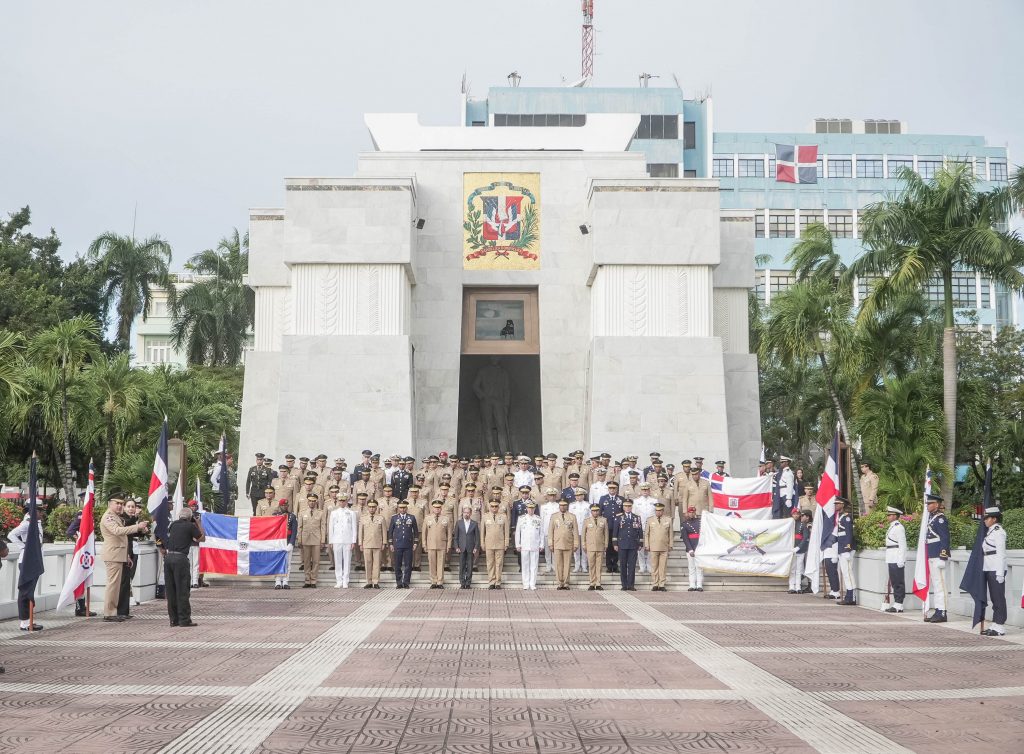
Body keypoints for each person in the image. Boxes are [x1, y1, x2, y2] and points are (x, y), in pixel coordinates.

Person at [99, 495, 149, 623]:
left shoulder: (115, 516)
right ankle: (109, 612)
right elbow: (117, 531)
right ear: (110, 503)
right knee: (113, 585)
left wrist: (126, 555)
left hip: (119, 554)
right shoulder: (108, 517)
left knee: (116, 586)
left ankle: (113, 612)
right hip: (113, 554)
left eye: (121, 503)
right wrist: (137, 526)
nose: (120, 506)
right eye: (117, 503)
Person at [162, 507, 204, 627]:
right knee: (182, 590)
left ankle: (173, 619)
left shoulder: (173, 525)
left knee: (171, 590)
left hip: (169, 558)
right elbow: (202, 538)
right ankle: (184, 619)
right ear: (190, 517)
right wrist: (198, 523)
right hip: (181, 559)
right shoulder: (190, 526)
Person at [8, 511, 45, 631]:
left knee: (30, 591)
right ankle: (24, 622)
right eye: (40, 510)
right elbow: (11, 535)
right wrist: (23, 546)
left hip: (34, 561)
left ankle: (29, 620)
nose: (43, 513)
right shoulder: (27, 523)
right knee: (25, 591)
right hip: (27, 561)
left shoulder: (36, 522)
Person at [979, 505, 1007, 636]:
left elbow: (1001, 554)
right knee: (994, 598)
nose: (985, 520)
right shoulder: (990, 531)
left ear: (994, 519)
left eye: (987, 518)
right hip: (989, 567)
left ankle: (1000, 625)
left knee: (998, 598)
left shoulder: (999, 532)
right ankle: (996, 623)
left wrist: (1000, 573)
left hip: (996, 569)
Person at [64, 508, 97, 616]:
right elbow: (70, 531)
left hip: (88, 552)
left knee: (85, 579)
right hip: (82, 553)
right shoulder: (81, 514)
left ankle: (82, 607)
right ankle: (80, 608)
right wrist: (79, 538)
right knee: (79, 579)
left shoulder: (90, 513)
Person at [924, 493, 950, 622]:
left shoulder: (940, 519)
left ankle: (943, 612)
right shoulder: (931, 517)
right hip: (932, 554)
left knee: (941, 585)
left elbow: (945, 538)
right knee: (936, 584)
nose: (927, 505)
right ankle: (938, 610)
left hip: (938, 555)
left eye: (930, 503)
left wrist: (943, 556)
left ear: (937, 505)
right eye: (927, 503)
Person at [548, 497, 580, 590]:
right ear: (559, 506)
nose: (562, 507)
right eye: (561, 505)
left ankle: (566, 583)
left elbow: (575, 531)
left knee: (567, 564)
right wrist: (550, 543)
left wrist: (576, 544)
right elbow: (550, 531)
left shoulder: (572, 516)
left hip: (568, 543)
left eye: (564, 505)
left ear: (567, 506)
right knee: (558, 564)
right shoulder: (554, 516)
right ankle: (559, 583)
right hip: (557, 543)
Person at [328, 492, 359, 588]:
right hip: (336, 539)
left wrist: (353, 541)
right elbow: (331, 527)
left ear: (346, 501)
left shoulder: (351, 513)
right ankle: (339, 581)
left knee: (347, 561)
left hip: (347, 539)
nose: (342, 502)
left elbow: (354, 527)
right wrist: (331, 541)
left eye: (343, 500)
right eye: (340, 500)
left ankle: (346, 580)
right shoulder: (334, 513)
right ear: (338, 501)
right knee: (337, 561)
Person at [612, 499, 643, 591]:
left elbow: (640, 531)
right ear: (623, 507)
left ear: (631, 507)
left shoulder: (636, 517)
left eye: (629, 506)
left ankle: (631, 585)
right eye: (626, 506)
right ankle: (624, 585)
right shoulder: (618, 517)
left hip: (633, 544)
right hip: (622, 544)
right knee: (623, 565)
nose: (627, 508)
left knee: (632, 565)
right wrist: (615, 544)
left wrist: (640, 542)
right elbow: (615, 532)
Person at [297, 493, 326, 588]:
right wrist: (299, 540)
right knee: (306, 561)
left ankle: (313, 580)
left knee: (316, 561)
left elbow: (323, 527)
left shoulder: (321, 513)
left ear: (316, 501)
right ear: (307, 501)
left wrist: (322, 541)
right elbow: (300, 527)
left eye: (314, 501)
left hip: (316, 540)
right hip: (305, 539)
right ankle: (307, 580)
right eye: (310, 501)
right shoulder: (302, 512)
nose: (312, 503)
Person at [389, 500, 419, 588]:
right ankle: (399, 582)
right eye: (401, 508)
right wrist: (391, 543)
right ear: (398, 508)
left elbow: (416, 532)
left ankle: (406, 582)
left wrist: (415, 543)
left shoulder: (412, 517)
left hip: (408, 544)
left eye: (404, 507)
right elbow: (390, 532)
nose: (402, 509)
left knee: (408, 565)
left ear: (406, 508)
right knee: (397, 564)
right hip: (397, 544)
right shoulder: (394, 518)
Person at [882, 506, 907, 613]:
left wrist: (901, 559)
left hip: (896, 557)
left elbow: (902, 545)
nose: (888, 517)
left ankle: (899, 604)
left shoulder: (899, 527)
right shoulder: (892, 527)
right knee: (894, 581)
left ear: (895, 516)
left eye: (890, 515)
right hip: (891, 556)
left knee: (898, 581)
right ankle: (896, 603)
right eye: (888, 515)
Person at [423, 500, 452, 589]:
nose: (437, 509)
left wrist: (449, 545)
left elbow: (449, 533)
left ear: (441, 508)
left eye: (439, 508)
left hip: (442, 544)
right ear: (432, 508)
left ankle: (440, 581)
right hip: (431, 544)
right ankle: (433, 581)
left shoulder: (446, 519)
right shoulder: (427, 518)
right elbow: (424, 533)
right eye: (435, 507)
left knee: (441, 563)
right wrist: (424, 544)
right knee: (432, 564)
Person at [644, 502, 673, 591]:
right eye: (657, 511)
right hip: (653, 546)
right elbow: (646, 534)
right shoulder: (650, 520)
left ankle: (662, 584)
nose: (658, 512)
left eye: (660, 511)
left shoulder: (668, 520)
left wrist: (671, 544)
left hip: (664, 546)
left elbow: (671, 533)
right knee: (654, 566)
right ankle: (655, 583)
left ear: (663, 511)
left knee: (663, 567)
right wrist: (646, 545)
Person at [515, 501, 543, 590]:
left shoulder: (538, 519)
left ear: (534, 509)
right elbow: (517, 533)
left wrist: (541, 544)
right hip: (524, 545)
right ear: (526, 509)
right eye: (529, 508)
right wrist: (517, 544)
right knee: (525, 565)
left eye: (532, 508)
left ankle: (532, 583)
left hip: (535, 545)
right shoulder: (521, 518)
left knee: (534, 566)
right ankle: (526, 583)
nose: (530, 510)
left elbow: (541, 533)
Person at [481, 499, 508, 589]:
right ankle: (491, 582)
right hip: (489, 543)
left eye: (496, 506)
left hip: (500, 543)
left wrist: (506, 543)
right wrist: (482, 543)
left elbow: (506, 531)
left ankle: (498, 582)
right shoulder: (485, 517)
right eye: (492, 506)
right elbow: (482, 531)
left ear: (498, 507)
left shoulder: (503, 516)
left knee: (499, 563)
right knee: (490, 563)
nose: (494, 508)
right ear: (489, 507)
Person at [359, 500, 386, 588]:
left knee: (377, 563)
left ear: (376, 507)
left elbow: (384, 532)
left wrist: (384, 543)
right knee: (368, 563)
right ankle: (369, 581)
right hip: (366, 543)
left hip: (377, 543)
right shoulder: (363, 518)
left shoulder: (381, 518)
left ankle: (376, 581)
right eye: (370, 507)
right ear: (368, 507)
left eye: (373, 507)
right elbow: (360, 532)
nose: (371, 508)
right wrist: (360, 543)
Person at [599, 482, 624, 573]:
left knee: (617, 545)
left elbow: (623, 512)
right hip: (607, 526)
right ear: (608, 489)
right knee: (609, 545)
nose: (612, 490)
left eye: (614, 488)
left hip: (618, 527)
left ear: (616, 489)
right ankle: (609, 565)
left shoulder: (621, 499)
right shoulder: (603, 499)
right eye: (610, 488)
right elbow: (600, 512)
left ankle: (615, 565)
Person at [632, 483, 657, 574]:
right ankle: (642, 566)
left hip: (651, 527)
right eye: (643, 490)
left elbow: (655, 514)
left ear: (649, 490)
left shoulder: (654, 501)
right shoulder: (636, 501)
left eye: (647, 490)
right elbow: (634, 515)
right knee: (640, 548)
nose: (645, 491)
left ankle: (649, 565)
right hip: (640, 527)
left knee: (650, 547)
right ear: (641, 491)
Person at [583, 503, 608, 590]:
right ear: (591, 511)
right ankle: (592, 582)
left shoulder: (603, 520)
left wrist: (606, 544)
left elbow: (606, 533)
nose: (595, 512)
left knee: (599, 565)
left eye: (597, 510)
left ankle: (598, 583)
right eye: (593, 511)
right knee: (591, 565)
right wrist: (584, 544)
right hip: (590, 546)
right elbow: (583, 534)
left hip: (600, 546)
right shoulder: (586, 520)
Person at [454, 504, 480, 589]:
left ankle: (468, 582)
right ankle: (462, 582)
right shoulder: (459, 523)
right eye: (465, 512)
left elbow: (477, 537)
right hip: (461, 548)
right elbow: (456, 537)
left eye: (468, 513)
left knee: (470, 566)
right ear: (462, 513)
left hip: (471, 548)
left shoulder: (474, 524)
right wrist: (456, 546)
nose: (466, 514)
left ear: (471, 513)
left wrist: (476, 547)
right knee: (462, 566)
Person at [836, 498, 857, 605]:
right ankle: (848, 596)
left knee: (848, 572)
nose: (835, 505)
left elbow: (849, 533)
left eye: (837, 504)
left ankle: (851, 597)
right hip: (842, 547)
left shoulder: (847, 517)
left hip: (846, 548)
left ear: (842, 505)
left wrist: (847, 548)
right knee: (845, 572)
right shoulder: (841, 517)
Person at [273, 500, 297, 589]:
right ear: (280, 506)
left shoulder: (292, 516)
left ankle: (286, 581)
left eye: (286, 505)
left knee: (287, 563)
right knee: (277, 563)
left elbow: (294, 531)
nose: (285, 507)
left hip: (287, 541)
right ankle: (278, 582)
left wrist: (291, 543)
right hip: (278, 542)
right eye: (283, 505)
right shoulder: (275, 516)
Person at [681, 506, 703, 592]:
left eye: (693, 512)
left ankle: (699, 585)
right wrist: (690, 549)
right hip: (690, 548)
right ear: (687, 513)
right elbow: (685, 538)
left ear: (695, 513)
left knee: (699, 568)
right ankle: (692, 585)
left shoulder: (700, 522)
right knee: (691, 568)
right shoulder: (684, 524)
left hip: (699, 548)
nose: (691, 514)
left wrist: (700, 548)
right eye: (690, 512)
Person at [539, 488, 560, 574]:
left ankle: (554, 566)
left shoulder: (558, 506)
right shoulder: (543, 507)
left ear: (555, 496)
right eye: (550, 495)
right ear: (547, 496)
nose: (551, 497)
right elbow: (542, 520)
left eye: (553, 495)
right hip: (546, 530)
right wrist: (542, 532)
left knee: (555, 550)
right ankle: (548, 565)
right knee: (547, 550)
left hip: (556, 531)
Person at [569, 487, 590, 573]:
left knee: (584, 548)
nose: (578, 497)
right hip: (575, 529)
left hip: (585, 529)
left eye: (580, 495)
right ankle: (577, 566)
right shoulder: (572, 505)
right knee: (576, 548)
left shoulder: (588, 505)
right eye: (577, 495)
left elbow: (589, 518)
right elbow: (570, 518)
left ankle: (584, 565)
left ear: (583, 496)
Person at [788, 506, 808, 594]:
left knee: (799, 569)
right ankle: (791, 586)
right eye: (794, 514)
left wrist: (799, 547)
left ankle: (798, 586)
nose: (796, 515)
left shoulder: (803, 525)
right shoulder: (788, 524)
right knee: (792, 569)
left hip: (800, 549)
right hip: (791, 549)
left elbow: (805, 537)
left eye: (797, 514)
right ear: (792, 515)